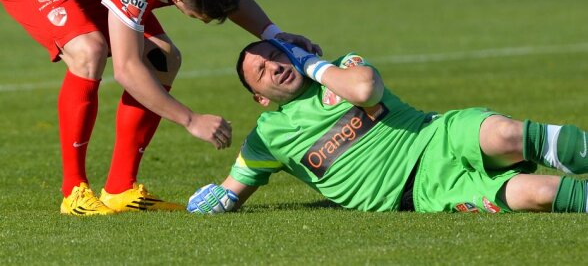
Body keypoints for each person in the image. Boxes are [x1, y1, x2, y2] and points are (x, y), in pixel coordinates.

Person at [0, 0, 319, 216]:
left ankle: (120, 189)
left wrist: (276, 36)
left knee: (164, 59)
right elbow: (126, 68)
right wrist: (190, 120)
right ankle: (73, 192)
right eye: (198, 16)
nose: (204, 21)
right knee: (89, 52)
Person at [187, 39, 588, 214]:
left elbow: (365, 90)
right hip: (427, 192)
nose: (274, 67)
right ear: (260, 98)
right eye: (261, 71)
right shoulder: (267, 138)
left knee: (504, 133)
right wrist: (208, 203)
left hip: (435, 136)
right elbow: (231, 193)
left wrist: (311, 63)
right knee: (538, 193)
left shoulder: (343, 67)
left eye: (277, 57)